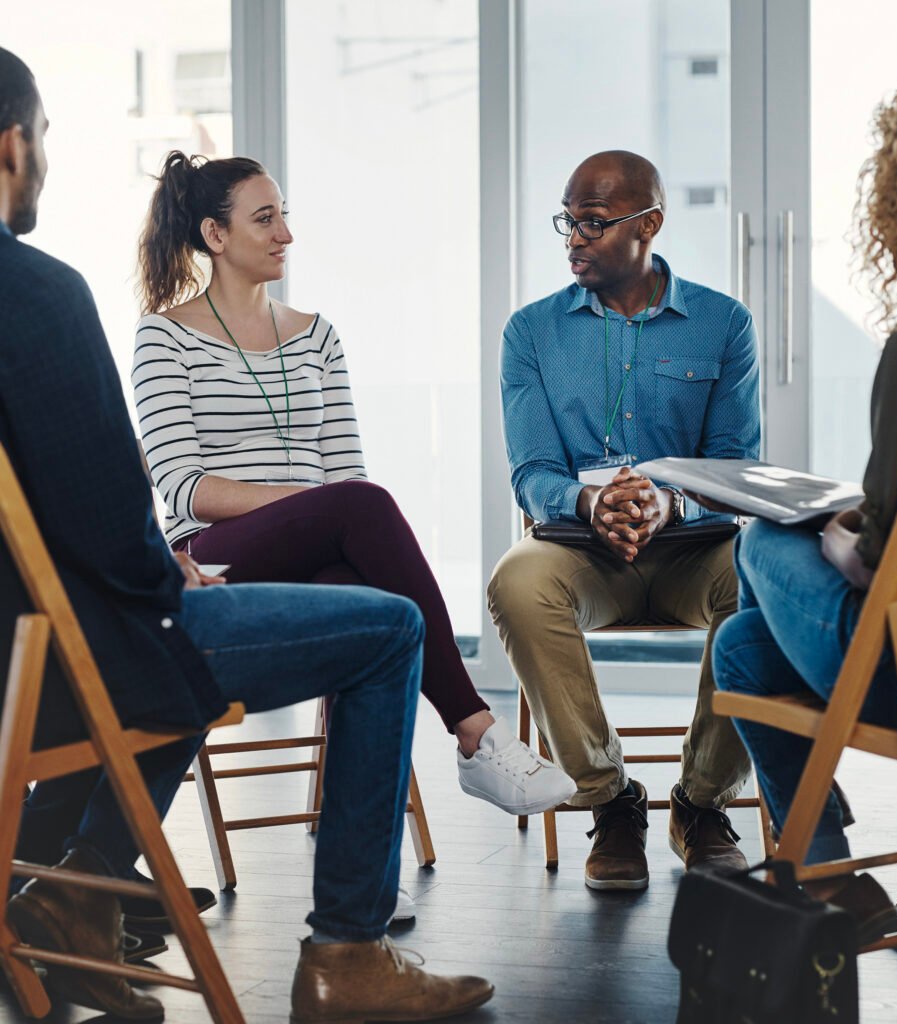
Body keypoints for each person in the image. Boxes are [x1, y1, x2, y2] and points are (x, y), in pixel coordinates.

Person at [0, 46, 493, 1022]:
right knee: (387, 627)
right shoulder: (40, 297)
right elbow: (113, 526)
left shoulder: (308, 330)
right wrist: (173, 574)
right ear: (12, 146)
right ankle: (345, 956)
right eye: (47, 135)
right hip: (69, 656)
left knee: (285, 573)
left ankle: (75, 890)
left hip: (13, 661)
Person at [130, 150, 575, 828]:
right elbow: (186, 489)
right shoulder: (164, 337)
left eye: (284, 216)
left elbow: (343, 475)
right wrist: (308, 505)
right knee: (360, 511)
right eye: (265, 218)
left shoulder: (317, 337)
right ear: (214, 236)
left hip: (322, 543)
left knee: (364, 598)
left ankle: (361, 858)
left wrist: (321, 510)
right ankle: (475, 730)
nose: (285, 234)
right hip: (214, 557)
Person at [712, 81, 897, 944]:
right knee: (739, 649)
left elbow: (881, 557)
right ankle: (834, 882)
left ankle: (824, 887)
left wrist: (835, 535)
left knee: (759, 535)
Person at [488, 150, 761, 891]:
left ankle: (701, 805)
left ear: (649, 224)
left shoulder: (722, 324)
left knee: (767, 582)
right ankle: (611, 803)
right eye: (567, 222)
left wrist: (669, 501)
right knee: (516, 583)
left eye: (593, 223)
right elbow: (531, 470)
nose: (574, 238)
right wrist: (589, 503)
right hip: (581, 551)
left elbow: (735, 469)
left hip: (691, 551)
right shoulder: (531, 333)